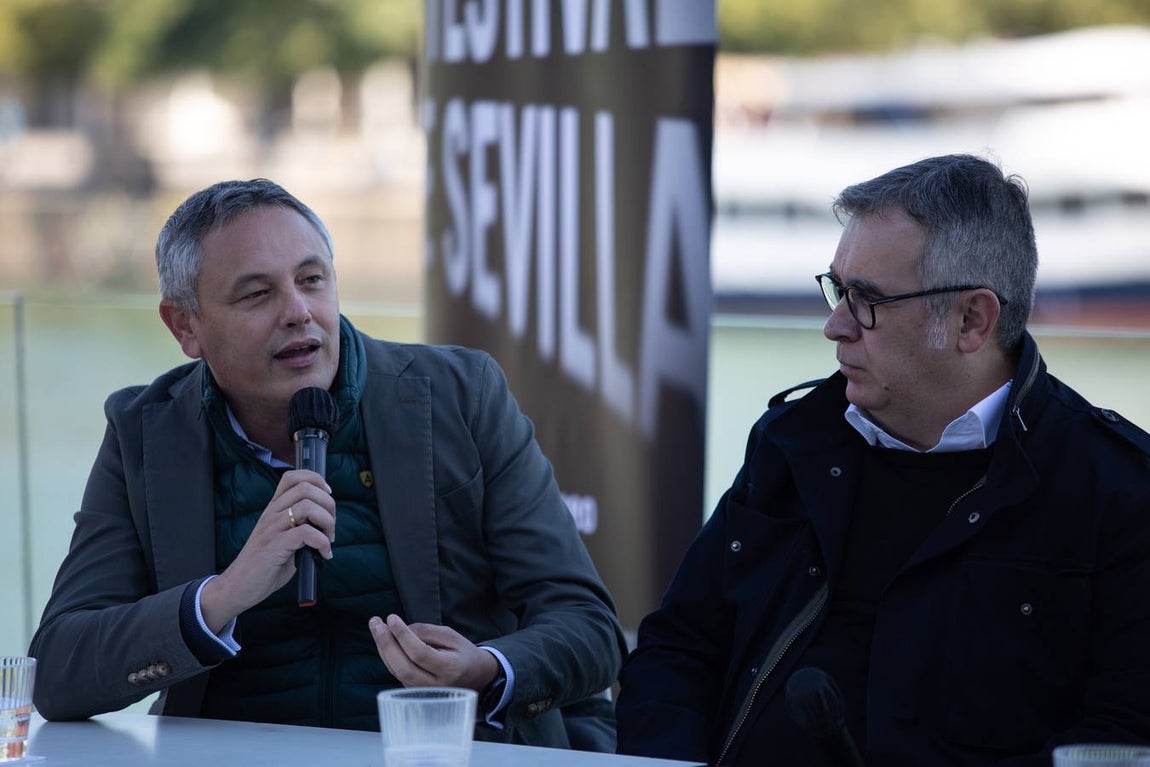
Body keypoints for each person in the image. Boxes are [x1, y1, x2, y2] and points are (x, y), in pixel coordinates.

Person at [29, 179, 626, 749]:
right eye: (257, 294)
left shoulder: (460, 396)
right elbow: (57, 671)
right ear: (185, 326)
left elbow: (588, 626)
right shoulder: (144, 430)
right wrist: (223, 596)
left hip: (439, 752)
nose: (299, 311)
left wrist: (485, 670)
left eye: (312, 280)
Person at [615, 154, 1150, 766]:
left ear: (972, 320)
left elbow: (1119, 744)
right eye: (838, 289)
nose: (835, 325)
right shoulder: (792, 443)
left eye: (867, 299)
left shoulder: (1117, 493)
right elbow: (678, 649)